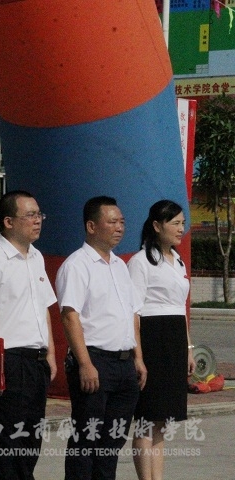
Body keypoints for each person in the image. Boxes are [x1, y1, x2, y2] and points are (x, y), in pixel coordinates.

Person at [55, 195, 147, 480]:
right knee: (87, 439)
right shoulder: (77, 265)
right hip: (95, 362)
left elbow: (132, 315)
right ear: (91, 226)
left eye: (122, 222)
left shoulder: (120, 266)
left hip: (124, 365)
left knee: (112, 443)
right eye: (112, 222)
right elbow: (70, 316)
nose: (120, 227)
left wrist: (138, 358)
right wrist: (84, 363)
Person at [0, 190, 57, 480]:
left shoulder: (36, 257)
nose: (38, 221)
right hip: (10, 361)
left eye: (39, 215)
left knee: (30, 440)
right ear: (8, 221)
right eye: (31, 215)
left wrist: (50, 353)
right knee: (3, 442)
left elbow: (44, 307)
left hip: (36, 362)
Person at [128, 200, 196, 480]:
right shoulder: (140, 261)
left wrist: (188, 348)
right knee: (147, 418)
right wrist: (138, 356)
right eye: (175, 223)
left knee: (162, 421)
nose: (181, 229)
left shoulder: (177, 260)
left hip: (174, 340)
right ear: (157, 226)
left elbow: (180, 308)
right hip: (152, 339)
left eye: (183, 223)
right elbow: (133, 312)